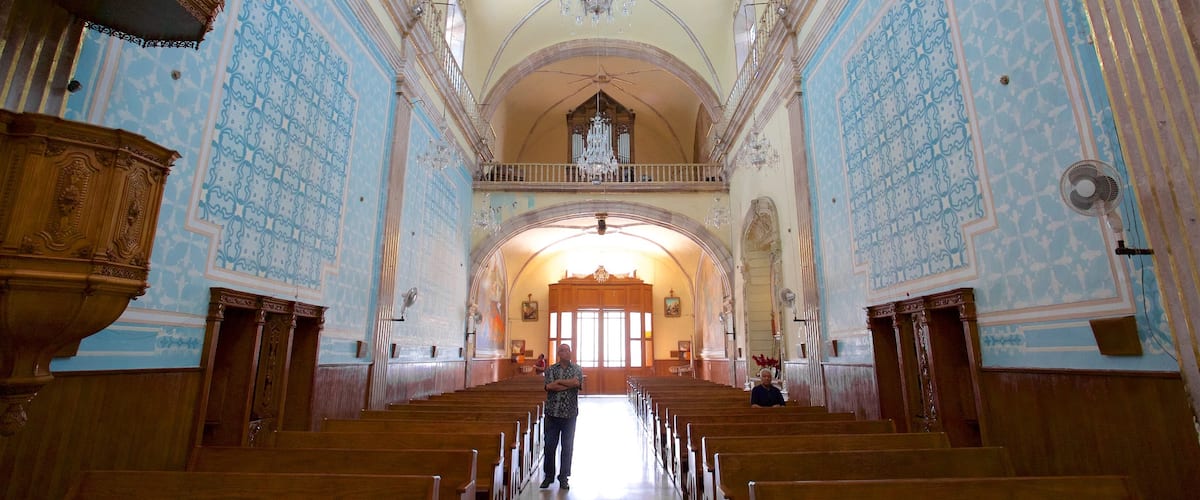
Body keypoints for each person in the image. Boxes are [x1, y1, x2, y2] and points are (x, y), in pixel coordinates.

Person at [541, 343, 584, 489]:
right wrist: (567, 384)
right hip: (552, 413)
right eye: (562, 351)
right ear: (559, 353)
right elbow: (549, 387)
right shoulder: (551, 369)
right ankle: (548, 476)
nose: (565, 352)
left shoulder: (576, 369)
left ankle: (564, 477)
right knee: (550, 445)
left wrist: (558, 382)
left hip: (570, 414)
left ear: (571, 352)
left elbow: (576, 383)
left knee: (567, 446)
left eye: (567, 350)